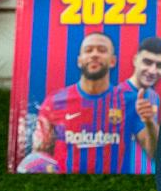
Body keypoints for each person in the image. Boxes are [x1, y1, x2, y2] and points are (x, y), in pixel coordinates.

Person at [31, 32, 130, 174]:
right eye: (88, 50)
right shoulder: (54, 102)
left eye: (102, 50)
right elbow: (40, 153)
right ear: (79, 60)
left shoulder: (128, 101)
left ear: (113, 61)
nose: (94, 54)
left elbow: (150, 151)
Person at [117, 36, 161, 174]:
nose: (152, 71)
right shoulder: (118, 96)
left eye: (159, 65)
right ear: (135, 60)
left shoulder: (153, 96)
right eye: (147, 62)